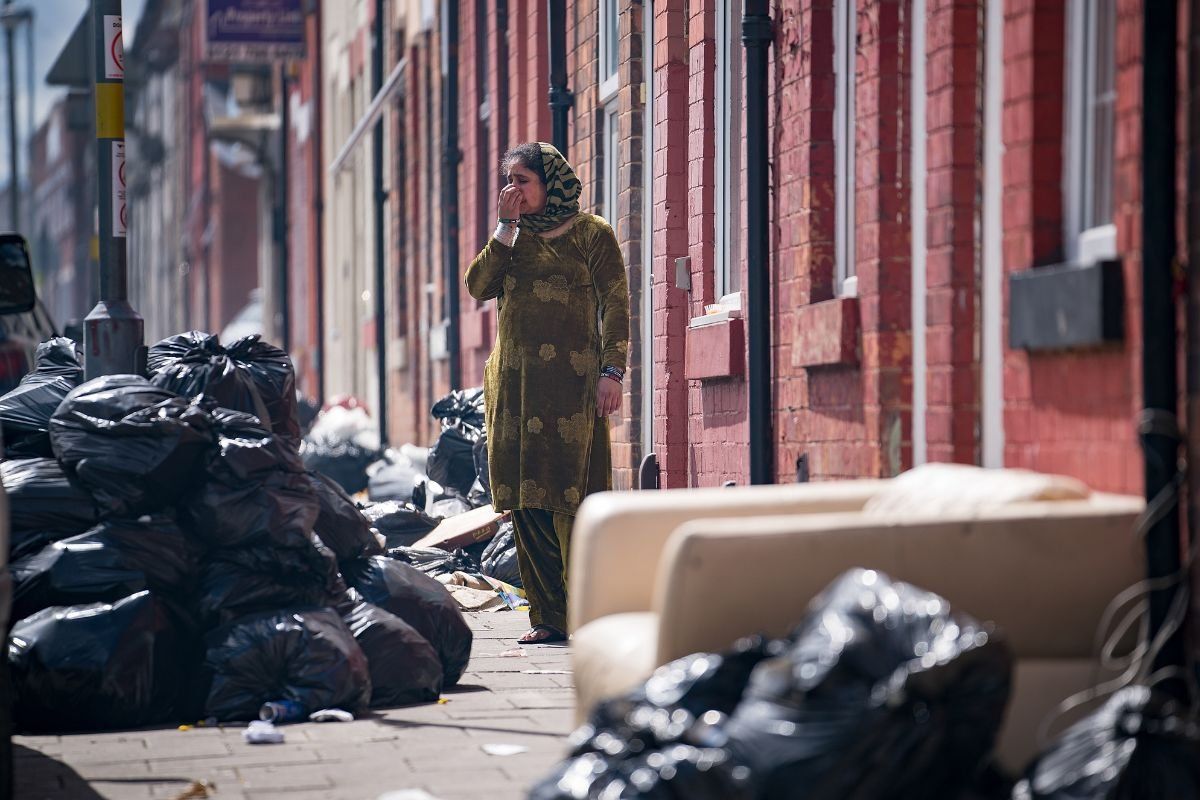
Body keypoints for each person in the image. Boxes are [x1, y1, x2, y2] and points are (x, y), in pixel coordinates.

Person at [466, 142, 630, 645]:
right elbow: (478, 286)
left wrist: (612, 372)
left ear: (549, 182)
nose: (513, 189)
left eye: (523, 179)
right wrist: (503, 229)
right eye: (509, 179)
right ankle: (547, 618)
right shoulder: (512, 239)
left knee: (572, 499)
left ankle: (586, 610)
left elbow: (617, 305)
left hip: (572, 390)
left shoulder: (590, 235)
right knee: (527, 502)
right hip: (516, 392)